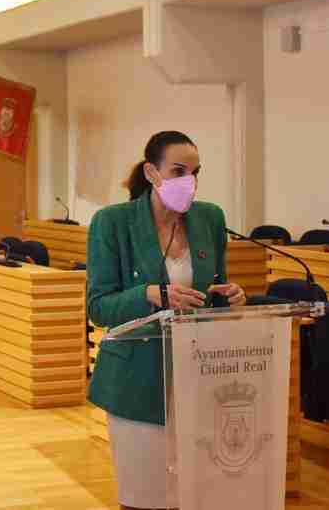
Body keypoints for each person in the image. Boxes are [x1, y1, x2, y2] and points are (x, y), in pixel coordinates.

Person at [86, 130, 246, 510]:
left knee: (196, 497)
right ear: (151, 172)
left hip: (199, 377)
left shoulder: (210, 218)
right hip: (138, 380)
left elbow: (214, 290)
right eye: (178, 170)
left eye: (195, 171)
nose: (188, 181)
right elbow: (99, 307)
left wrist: (232, 297)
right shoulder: (113, 222)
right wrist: (149, 295)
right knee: (146, 497)